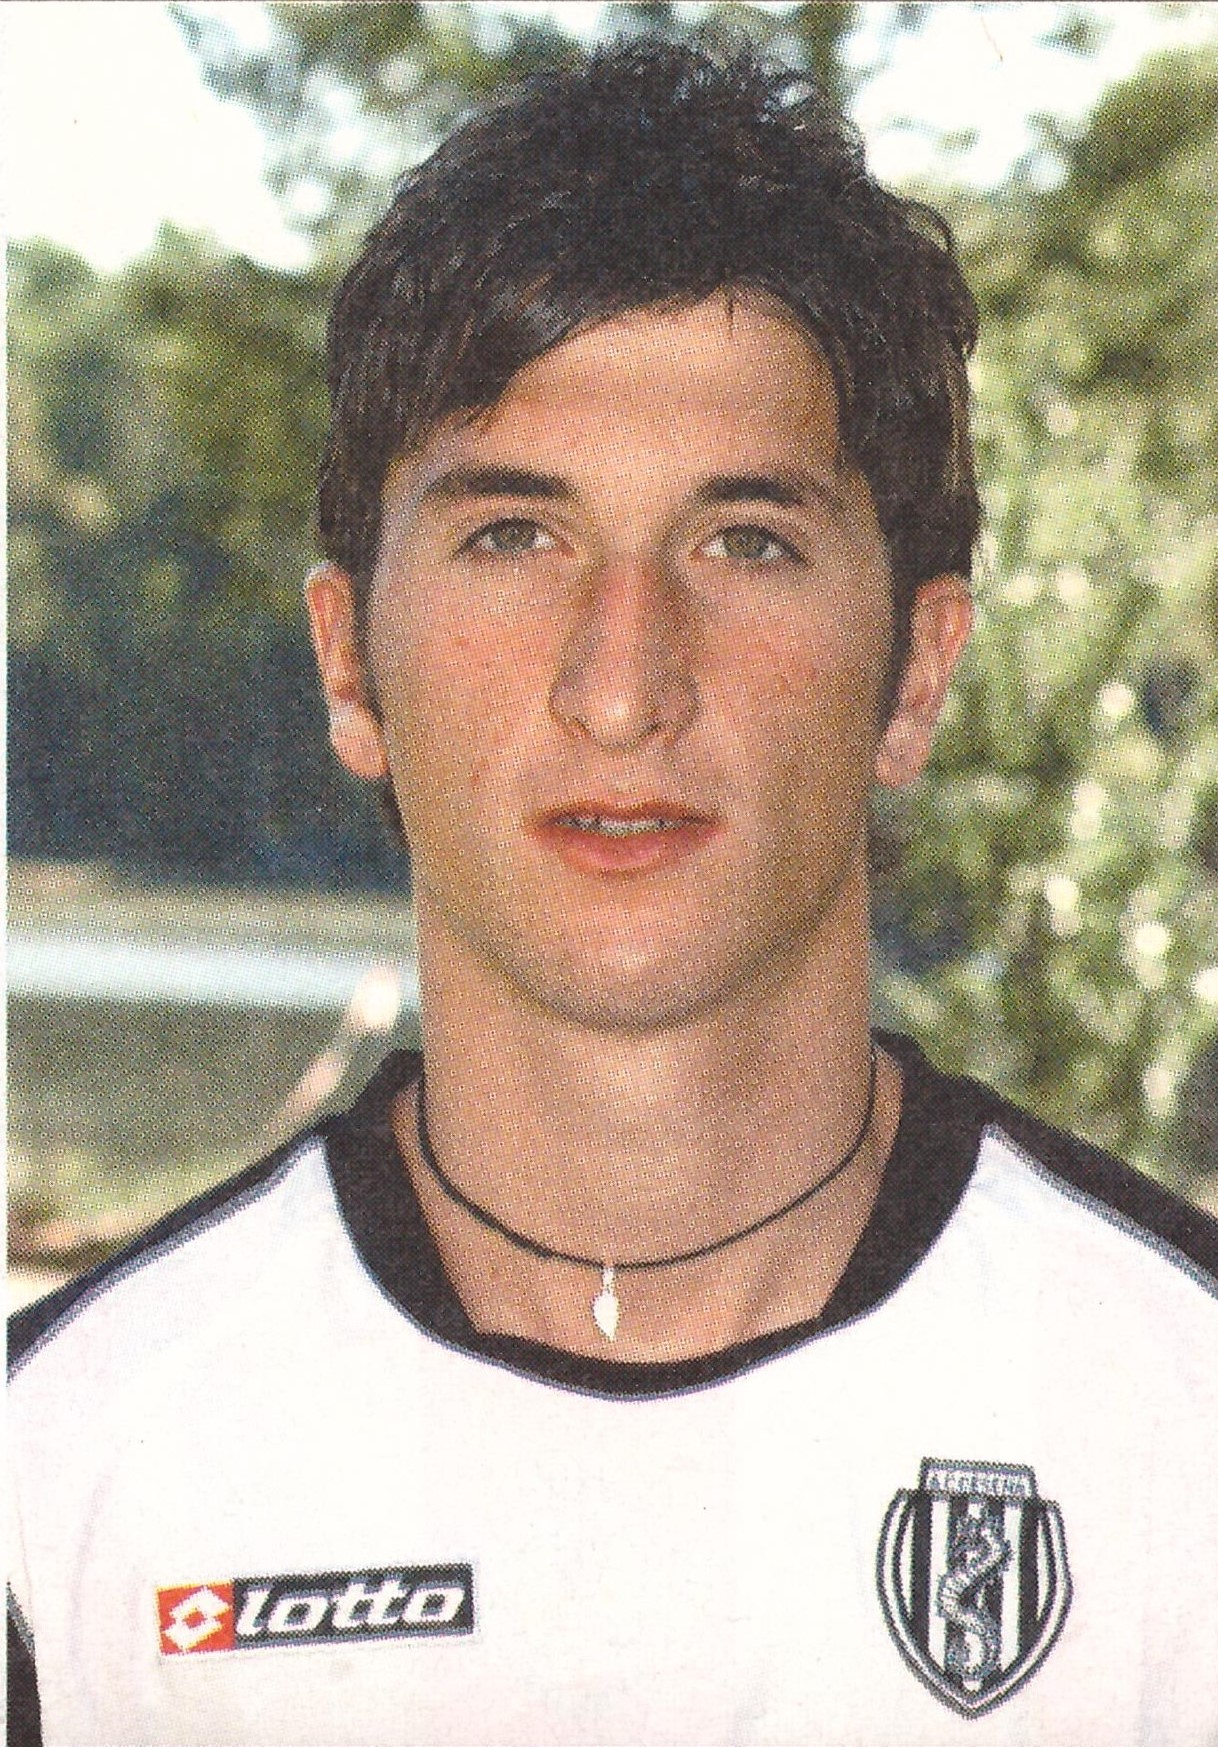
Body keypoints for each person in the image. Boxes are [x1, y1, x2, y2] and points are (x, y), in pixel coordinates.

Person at [8, 37, 1217, 1747]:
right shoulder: (60, 1487)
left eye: (746, 542)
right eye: (514, 536)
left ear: (915, 670)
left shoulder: (1181, 1424)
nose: (623, 683)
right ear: (348, 662)